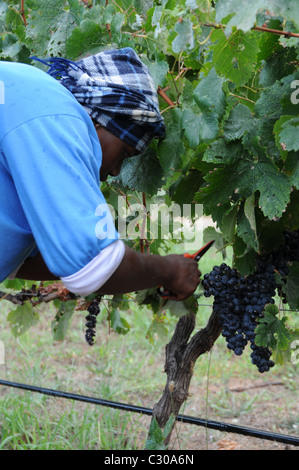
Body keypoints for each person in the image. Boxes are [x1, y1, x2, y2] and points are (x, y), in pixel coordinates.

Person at [0, 47, 200, 301]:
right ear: (97, 121)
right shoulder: (57, 116)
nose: (115, 171)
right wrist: (170, 270)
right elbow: (92, 269)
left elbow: (16, 259)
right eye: (124, 153)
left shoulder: (29, 98)